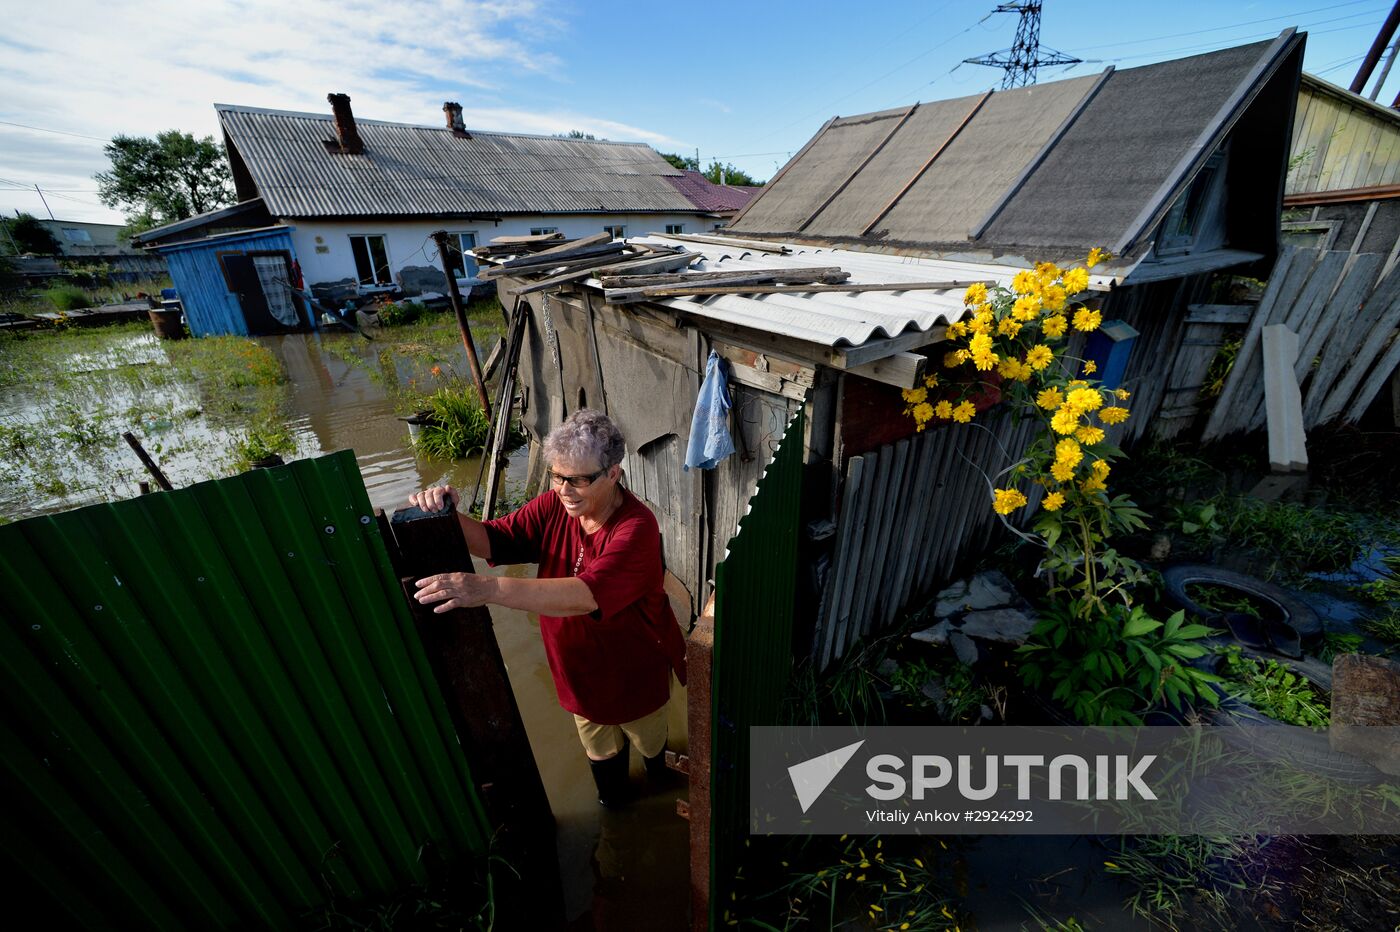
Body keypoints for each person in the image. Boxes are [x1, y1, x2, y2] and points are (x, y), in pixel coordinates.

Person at [409, 409, 686, 807]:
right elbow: (492, 540)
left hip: (635, 673)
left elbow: (586, 594)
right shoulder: (555, 505)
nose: (564, 490)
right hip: (578, 675)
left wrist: (484, 589)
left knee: (652, 750)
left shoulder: (637, 528)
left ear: (613, 474)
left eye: (578, 480)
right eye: (557, 476)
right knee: (607, 776)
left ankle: (660, 783)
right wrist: (447, 516)